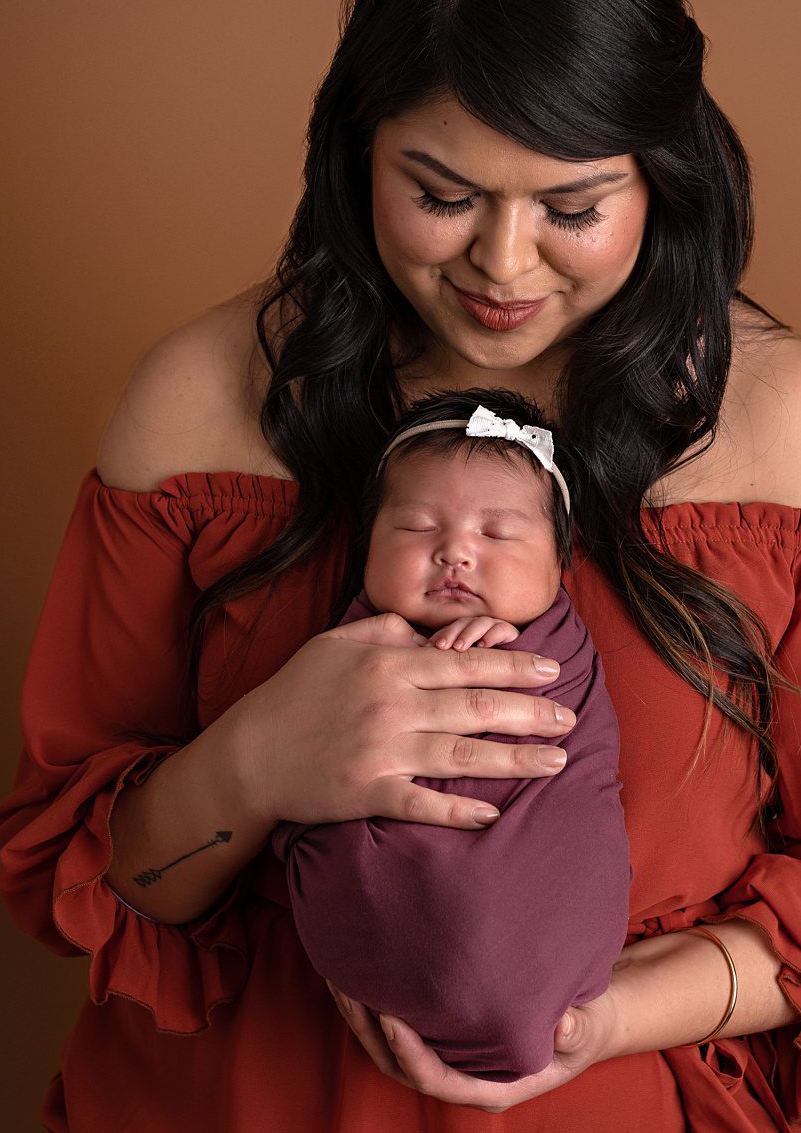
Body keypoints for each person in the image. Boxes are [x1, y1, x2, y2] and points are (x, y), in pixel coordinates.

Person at [0, 0, 801, 1133]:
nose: (502, 265)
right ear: (357, 150)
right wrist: (261, 759)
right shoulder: (199, 404)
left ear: (658, 174)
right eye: (441, 196)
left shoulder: (789, 437)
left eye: (571, 206)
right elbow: (88, 880)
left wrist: (598, 1019)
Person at [270, 389, 633, 1084]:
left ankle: (507, 991)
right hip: (361, 963)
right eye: (414, 527)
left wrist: (499, 655)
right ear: (365, 545)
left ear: (560, 566)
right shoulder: (342, 649)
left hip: (542, 923)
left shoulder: (560, 651)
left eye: (497, 534)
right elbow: (308, 739)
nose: (455, 553)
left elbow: (572, 753)